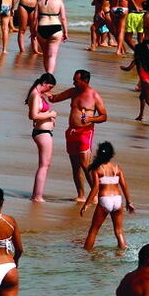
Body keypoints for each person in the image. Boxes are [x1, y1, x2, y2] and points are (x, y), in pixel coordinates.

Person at [49, 69, 108, 201]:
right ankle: (81, 195)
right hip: (71, 132)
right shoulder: (73, 91)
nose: (73, 82)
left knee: (85, 164)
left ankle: (96, 195)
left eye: (76, 80)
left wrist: (91, 119)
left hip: (85, 132)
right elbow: (55, 98)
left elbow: (104, 116)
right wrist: (44, 93)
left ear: (84, 81)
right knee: (75, 166)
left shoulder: (94, 96)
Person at [81, 142, 135, 249]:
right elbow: (124, 186)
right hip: (118, 200)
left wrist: (86, 204)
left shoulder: (97, 169)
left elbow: (95, 187)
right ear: (112, 154)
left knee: (94, 230)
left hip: (105, 200)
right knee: (119, 231)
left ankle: (85, 255)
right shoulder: (117, 168)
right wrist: (129, 202)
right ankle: (122, 252)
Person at [26, 73, 58, 202]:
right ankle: (37, 196)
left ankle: (37, 194)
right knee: (44, 165)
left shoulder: (37, 94)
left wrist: (46, 95)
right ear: (44, 83)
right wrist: (50, 114)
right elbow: (33, 115)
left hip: (43, 132)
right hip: (42, 132)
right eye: (49, 87)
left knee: (45, 164)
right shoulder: (35, 95)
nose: (49, 90)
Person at [120, 41, 149, 122]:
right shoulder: (148, 60)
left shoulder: (137, 60)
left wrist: (122, 67)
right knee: (141, 97)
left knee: (147, 100)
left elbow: (128, 69)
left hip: (145, 82)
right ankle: (140, 115)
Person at [35, 0, 68, 74]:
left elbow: (34, 19)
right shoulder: (59, 2)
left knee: (45, 55)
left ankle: (47, 75)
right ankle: (50, 76)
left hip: (42, 28)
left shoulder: (40, 1)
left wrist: (34, 32)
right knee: (52, 56)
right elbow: (63, 18)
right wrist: (66, 32)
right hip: (55, 29)